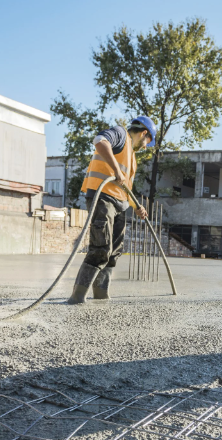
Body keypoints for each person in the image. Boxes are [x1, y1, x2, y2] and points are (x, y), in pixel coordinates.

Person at [67, 116, 156, 304]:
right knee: (101, 248)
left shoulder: (132, 157)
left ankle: (101, 295)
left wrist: (137, 207)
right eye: (148, 142)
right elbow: (99, 142)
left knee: (114, 252)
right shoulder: (120, 134)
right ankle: (77, 297)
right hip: (103, 197)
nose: (146, 146)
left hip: (120, 203)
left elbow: (126, 189)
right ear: (144, 133)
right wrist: (116, 169)